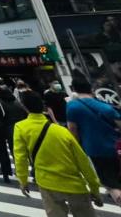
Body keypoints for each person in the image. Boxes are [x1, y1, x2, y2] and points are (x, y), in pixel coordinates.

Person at [14, 91, 102, 217]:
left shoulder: (21, 128)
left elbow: (20, 158)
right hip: (74, 184)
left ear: (24, 107)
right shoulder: (62, 131)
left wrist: (23, 181)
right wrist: (94, 188)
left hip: (47, 184)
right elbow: (83, 161)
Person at [67, 78, 121, 206]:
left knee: (110, 184)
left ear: (73, 89)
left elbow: (72, 130)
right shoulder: (104, 105)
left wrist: (77, 148)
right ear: (90, 89)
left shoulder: (72, 106)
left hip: (95, 150)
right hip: (116, 148)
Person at [0, 86, 27, 158]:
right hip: (23, 126)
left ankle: (19, 166)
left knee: (15, 150)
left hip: (10, 128)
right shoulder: (17, 102)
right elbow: (24, 113)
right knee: (26, 147)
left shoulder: (1, 103)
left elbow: (0, 117)